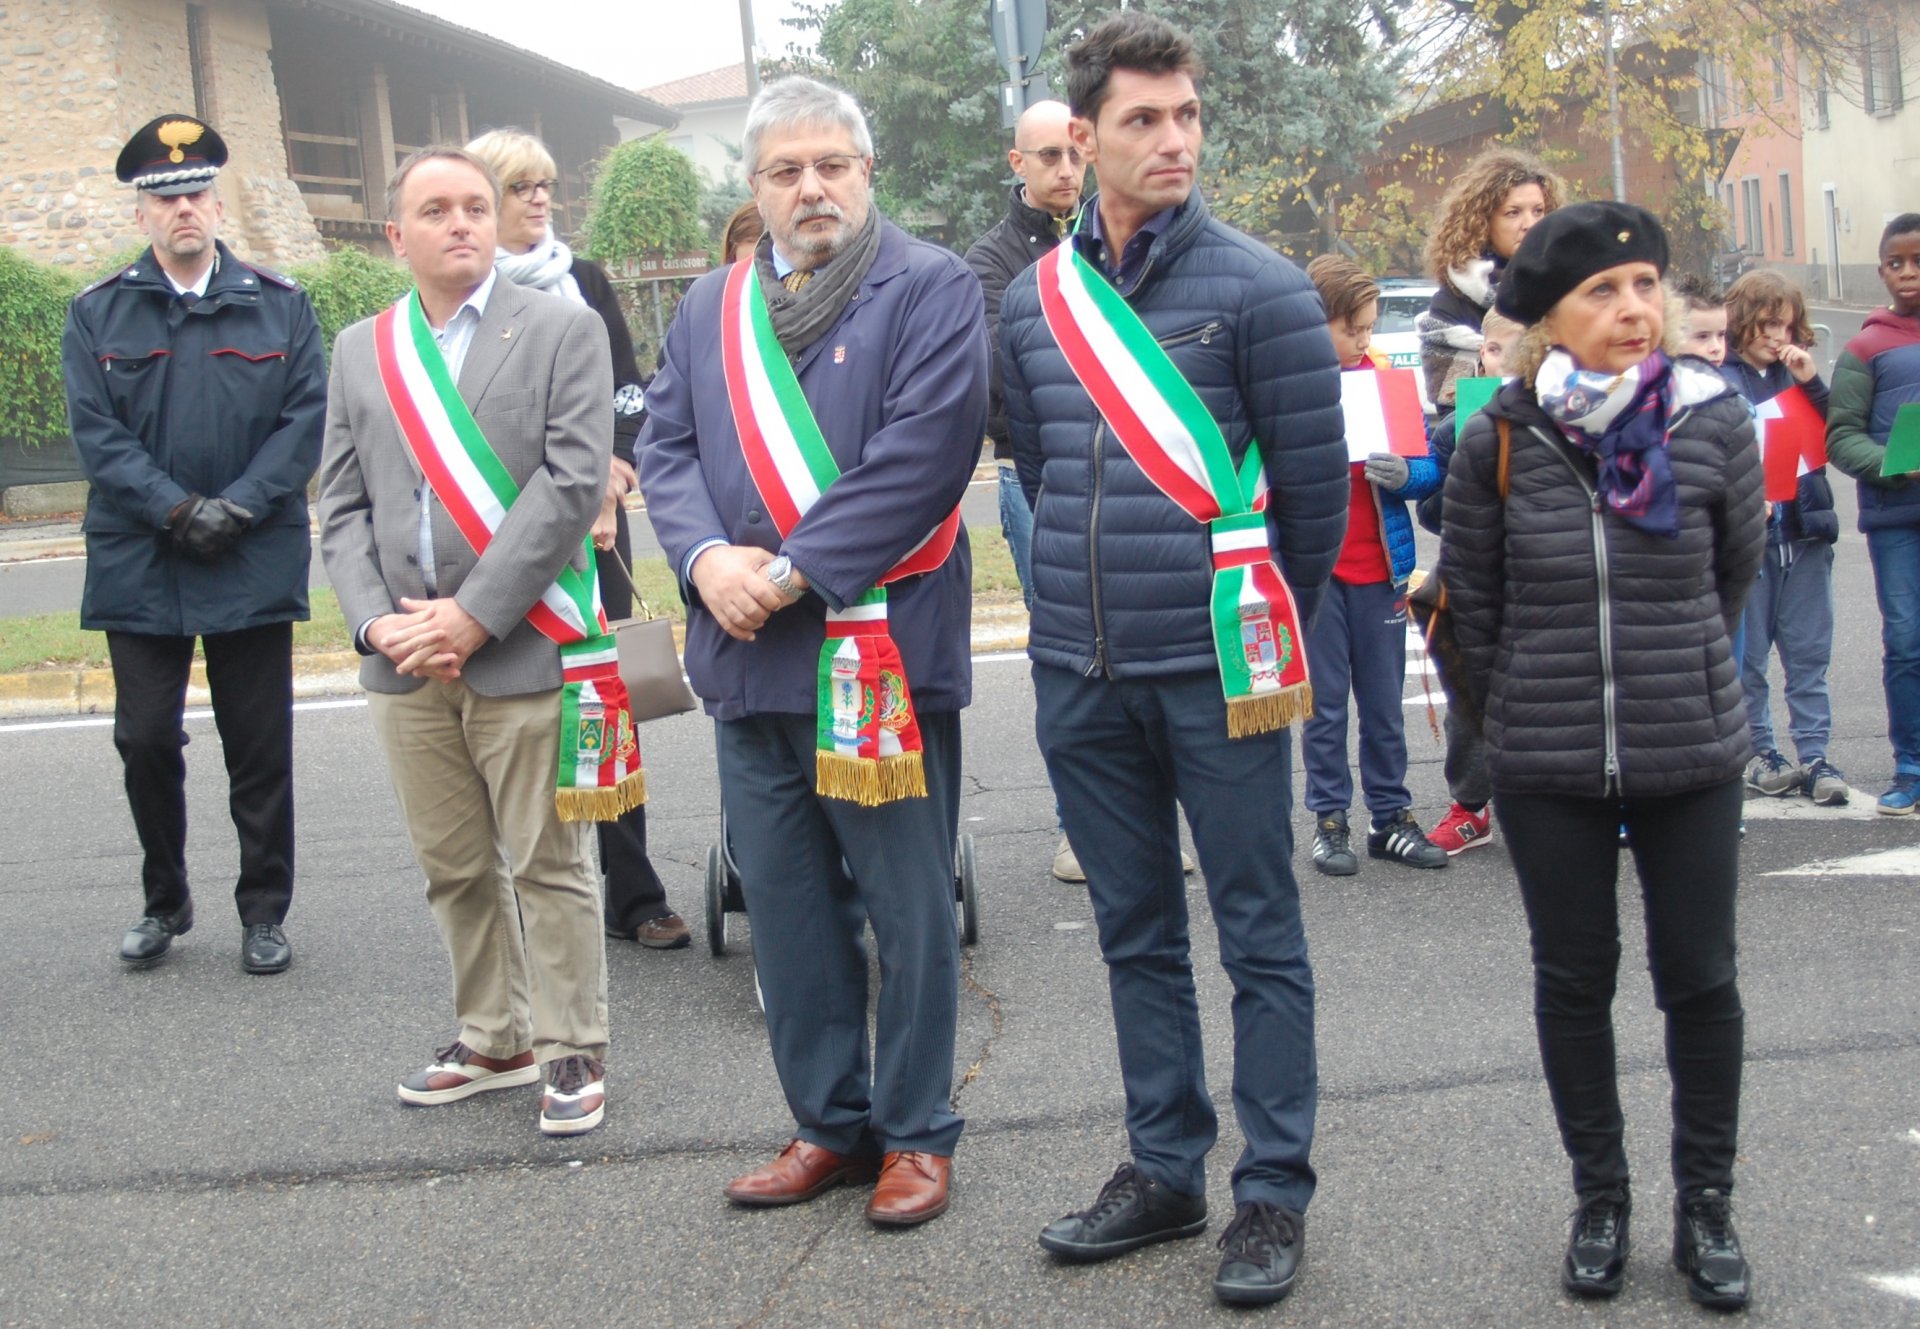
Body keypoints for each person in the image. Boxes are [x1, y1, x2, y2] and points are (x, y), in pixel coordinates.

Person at [998, 13, 1347, 1305]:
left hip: (1221, 675)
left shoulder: (1263, 289)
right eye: (1145, 120)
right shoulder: (1035, 301)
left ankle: (1272, 1193)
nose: (1175, 139)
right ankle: (1164, 1165)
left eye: (1187, 115)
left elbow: (1310, 513)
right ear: (1083, 140)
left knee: (1259, 929)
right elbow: (1040, 470)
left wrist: (1240, 638)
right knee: (1134, 928)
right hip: (1080, 673)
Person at [638, 76, 984, 1228]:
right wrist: (703, 564)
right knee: (785, 910)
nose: (812, 187)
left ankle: (918, 1132)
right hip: (747, 660)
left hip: (874, 649)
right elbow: (671, 450)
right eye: (786, 171)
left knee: (907, 904)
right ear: (756, 189)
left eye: (832, 164)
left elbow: (922, 457)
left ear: (867, 172)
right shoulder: (706, 308)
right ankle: (830, 1124)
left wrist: (781, 572)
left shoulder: (929, 287)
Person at [1444, 202, 1765, 1310]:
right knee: (1575, 983)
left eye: (1645, 287)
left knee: (1702, 980)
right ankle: (1603, 1202)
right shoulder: (1496, 436)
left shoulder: (1715, 423)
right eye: (1603, 293)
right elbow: (1474, 611)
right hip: (1547, 756)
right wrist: (1519, 716)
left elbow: (1733, 576)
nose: (1633, 310)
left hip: (1693, 746)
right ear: (1550, 322)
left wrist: (1672, 675)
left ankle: (1707, 1208)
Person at [318, 147, 630, 1137]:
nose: (461, 223)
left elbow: (573, 483)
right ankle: (493, 1035)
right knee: (452, 864)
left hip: (519, 640)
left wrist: (473, 615)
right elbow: (339, 504)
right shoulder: (360, 349)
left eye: (475, 207)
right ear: (394, 236)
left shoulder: (561, 327)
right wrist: (376, 622)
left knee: (549, 860)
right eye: (435, 210)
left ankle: (569, 1041)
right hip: (404, 656)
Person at [63, 114, 325, 975]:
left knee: (258, 742)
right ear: (142, 214)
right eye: (165, 197)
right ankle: (163, 900)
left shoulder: (280, 304)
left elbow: (301, 424)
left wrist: (238, 508)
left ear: (219, 205)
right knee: (143, 738)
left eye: (197, 194)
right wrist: (177, 511)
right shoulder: (98, 311)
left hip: (249, 550)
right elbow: (98, 437)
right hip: (144, 556)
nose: (183, 209)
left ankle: (263, 911)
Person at [465, 128, 691, 950]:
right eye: (521, 185)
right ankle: (530, 894)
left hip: (594, 526)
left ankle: (633, 892)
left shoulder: (585, 282)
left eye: (545, 185)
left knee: (606, 699)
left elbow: (630, 394)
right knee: (515, 711)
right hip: (494, 533)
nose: (538, 200)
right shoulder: (467, 296)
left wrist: (610, 476)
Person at [963, 98, 1098, 885]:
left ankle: (1143, 819)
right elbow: (997, 388)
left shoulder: (1119, 238)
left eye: (1074, 153)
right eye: (1046, 155)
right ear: (1017, 164)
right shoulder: (992, 264)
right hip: (1033, 472)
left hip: (1132, 471)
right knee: (1067, 651)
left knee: (1143, 647)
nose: (1065, 170)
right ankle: (1076, 826)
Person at [1301, 255, 1447, 877]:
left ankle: (1390, 817)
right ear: (1317, 323)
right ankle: (1329, 820)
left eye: (1368, 328)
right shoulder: (1293, 383)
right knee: (1326, 707)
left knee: (1384, 705)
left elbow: (1427, 466)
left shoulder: (1384, 377)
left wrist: (1406, 472)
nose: (1364, 341)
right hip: (1317, 575)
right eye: (1352, 329)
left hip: (1381, 569)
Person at [1720, 269, 1845, 805]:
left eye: (1786, 326)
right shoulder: (1722, 377)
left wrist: (1811, 381)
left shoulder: (1796, 373)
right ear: (1743, 321)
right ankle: (1761, 751)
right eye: (1768, 325)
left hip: (1806, 528)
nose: (1777, 337)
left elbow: (1839, 432)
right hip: (1755, 536)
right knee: (1750, 660)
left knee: (1809, 653)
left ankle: (1815, 754)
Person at [1417, 305, 1524, 856]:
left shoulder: (1559, 417)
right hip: (1474, 578)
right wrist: (1466, 477)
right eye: (1499, 350)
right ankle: (1470, 806)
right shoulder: (1455, 423)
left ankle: (1560, 803)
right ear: (1483, 352)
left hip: (1539, 578)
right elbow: (1431, 510)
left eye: (1524, 351)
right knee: (1470, 692)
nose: (1508, 362)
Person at [1825, 212, 1920, 814]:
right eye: (1895, 263)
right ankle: (1911, 766)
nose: (1907, 273)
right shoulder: (1865, 347)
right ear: (1881, 270)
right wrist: (1894, 464)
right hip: (1896, 521)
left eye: (1917, 261)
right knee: (1907, 642)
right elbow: (1841, 438)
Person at [1416, 147, 1563, 409]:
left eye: (1538, 211)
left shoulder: (1568, 290)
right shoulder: (1452, 302)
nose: (1530, 224)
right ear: (1483, 222)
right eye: (1513, 212)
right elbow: (1453, 408)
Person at [1673, 273, 1729, 366]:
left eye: (1721, 334)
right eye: (1702, 336)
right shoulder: (1663, 379)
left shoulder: (1727, 379)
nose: (1716, 348)